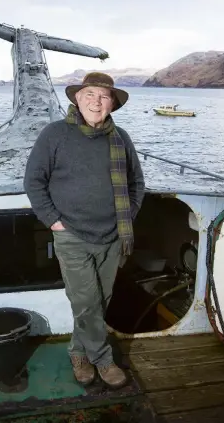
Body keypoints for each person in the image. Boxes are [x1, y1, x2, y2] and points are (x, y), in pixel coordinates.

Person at [23, 72, 145, 389]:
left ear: (112, 104)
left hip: (113, 236)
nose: (96, 101)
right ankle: (103, 360)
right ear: (78, 99)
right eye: (90, 94)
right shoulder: (54, 135)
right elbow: (34, 182)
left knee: (99, 301)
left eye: (103, 96)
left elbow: (136, 184)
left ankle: (78, 352)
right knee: (86, 302)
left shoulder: (121, 139)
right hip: (71, 235)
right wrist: (54, 222)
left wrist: (127, 216)